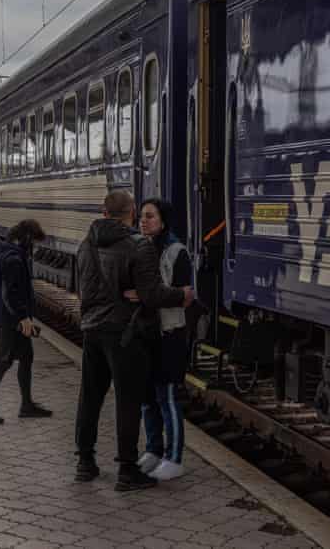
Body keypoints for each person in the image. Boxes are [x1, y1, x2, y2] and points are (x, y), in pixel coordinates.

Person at [74, 191, 195, 492]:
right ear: (129, 213)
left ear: (104, 212)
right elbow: (153, 294)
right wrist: (182, 296)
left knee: (89, 398)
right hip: (125, 334)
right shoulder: (138, 245)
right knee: (128, 402)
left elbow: (83, 290)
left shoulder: (86, 244)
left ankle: (85, 464)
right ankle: (127, 471)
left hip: (91, 329)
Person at [0, 219, 53, 425]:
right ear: (25, 238)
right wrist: (23, 317)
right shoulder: (14, 259)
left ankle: (26, 405)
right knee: (4, 361)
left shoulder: (8, 253)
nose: (34, 247)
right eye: (33, 242)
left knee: (26, 357)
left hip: (11, 317)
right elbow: (11, 293)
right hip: (10, 319)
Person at [132, 199, 192, 481]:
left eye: (150, 216)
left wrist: (145, 294)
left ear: (163, 221)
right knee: (147, 398)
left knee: (167, 397)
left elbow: (185, 295)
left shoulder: (177, 253)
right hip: (145, 334)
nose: (144, 221)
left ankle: (175, 457)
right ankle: (154, 450)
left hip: (169, 334)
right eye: (142, 216)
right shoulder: (138, 249)